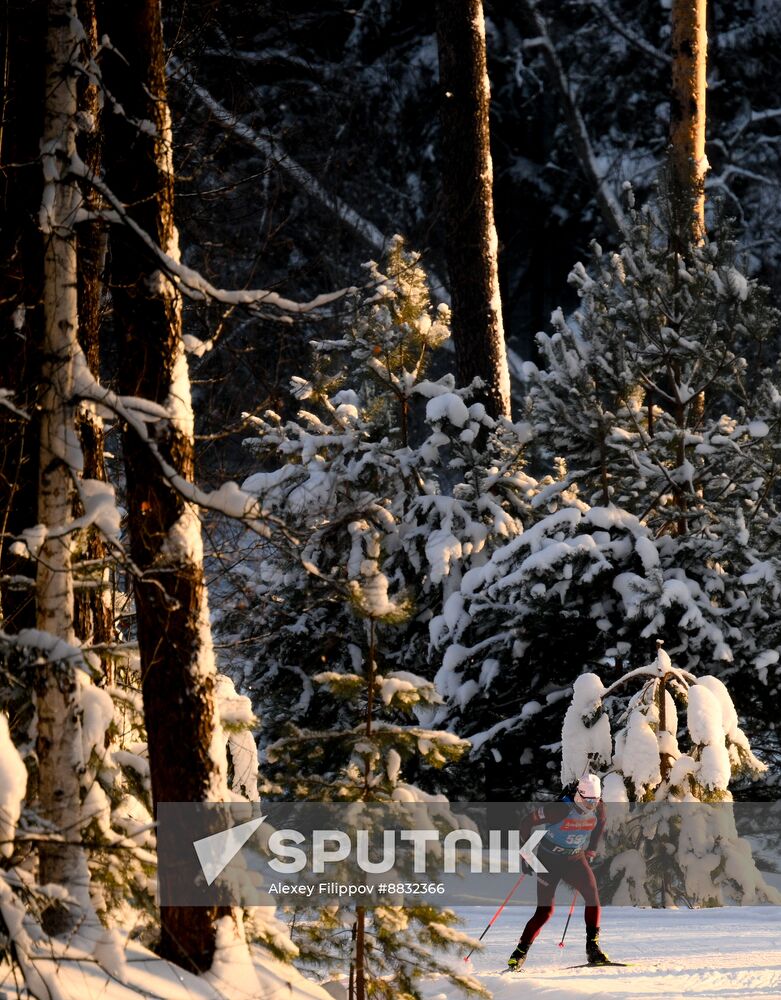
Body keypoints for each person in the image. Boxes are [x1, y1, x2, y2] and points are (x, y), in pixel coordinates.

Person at [507, 773, 609, 969]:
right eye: (588, 802)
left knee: (592, 898)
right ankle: (520, 952)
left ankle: (593, 948)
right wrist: (525, 853)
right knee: (545, 911)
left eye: (595, 801)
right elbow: (526, 822)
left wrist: (591, 850)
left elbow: (601, 823)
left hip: (575, 859)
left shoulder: (599, 806)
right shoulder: (560, 809)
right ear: (579, 795)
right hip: (549, 860)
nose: (591, 806)